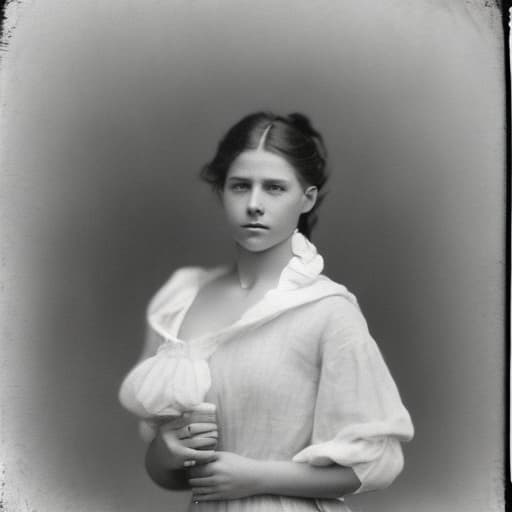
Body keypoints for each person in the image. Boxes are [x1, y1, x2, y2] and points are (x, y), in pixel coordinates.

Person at [118, 112, 414, 512]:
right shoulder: (181, 301)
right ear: (222, 191)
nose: (254, 204)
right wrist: (166, 453)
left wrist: (257, 477)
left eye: (275, 188)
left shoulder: (329, 311)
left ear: (305, 199)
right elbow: (169, 475)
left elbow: (375, 462)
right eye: (241, 186)